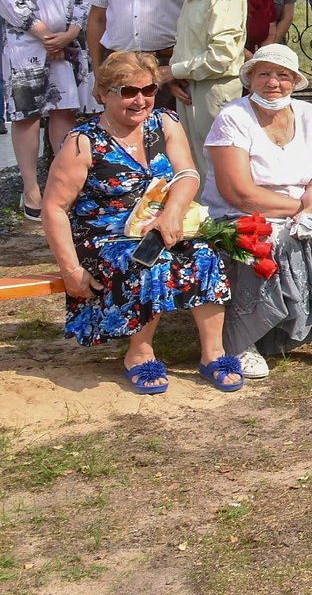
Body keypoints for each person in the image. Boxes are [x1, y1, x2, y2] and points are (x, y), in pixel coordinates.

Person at [39, 52, 239, 393]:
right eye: (128, 91)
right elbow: (54, 209)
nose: (141, 99)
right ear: (103, 95)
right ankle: (139, 353)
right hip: (106, 233)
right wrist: (71, 270)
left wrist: (171, 213)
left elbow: (187, 174)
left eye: (148, 90)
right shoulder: (82, 142)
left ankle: (213, 353)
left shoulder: (165, 122)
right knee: (147, 259)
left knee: (205, 253)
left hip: (163, 220)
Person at [203, 44, 312, 375]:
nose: (273, 82)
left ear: (295, 81)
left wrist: (311, 210)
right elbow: (238, 192)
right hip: (240, 213)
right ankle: (243, 342)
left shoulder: (311, 114)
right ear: (251, 79)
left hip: (301, 208)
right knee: (263, 241)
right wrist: (302, 208)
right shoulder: (232, 117)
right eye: (264, 74)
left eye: (282, 75)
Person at [1, 0, 96, 223]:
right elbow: (11, 4)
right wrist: (44, 35)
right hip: (25, 49)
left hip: (67, 47)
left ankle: (63, 187)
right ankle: (31, 189)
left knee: (64, 113)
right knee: (27, 116)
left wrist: (70, 33)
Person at [170, 0, 249, 187]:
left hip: (214, 92)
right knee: (194, 164)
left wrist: (173, 71)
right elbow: (188, 45)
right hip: (190, 88)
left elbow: (221, 57)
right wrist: (176, 76)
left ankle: (221, 222)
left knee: (217, 167)